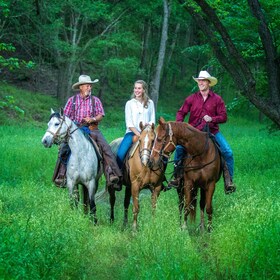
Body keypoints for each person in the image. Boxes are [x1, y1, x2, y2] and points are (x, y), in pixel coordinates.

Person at [168, 70, 236, 194]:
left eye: (203, 80)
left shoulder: (217, 99)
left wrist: (212, 119)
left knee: (227, 151)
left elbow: (224, 117)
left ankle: (228, 180)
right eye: (199, 80)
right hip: (193, 134)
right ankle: (177, 177)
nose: (201, 83)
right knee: (179, 149)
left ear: (209, 83)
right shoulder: (192, 98)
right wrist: (180, 125)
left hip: (212, 132)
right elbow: (181, 112)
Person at [53, 74, 122, 191]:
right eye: (87, 86)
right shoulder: (72, 101)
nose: (89, 88)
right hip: (75, 130)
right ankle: (61, 175)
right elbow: (65, 117)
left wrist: (93, 119)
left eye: (90, 86)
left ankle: (111, 174)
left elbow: (101, 115)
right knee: (64, 148)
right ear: (81, 87)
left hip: (92, 129)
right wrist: (73, 124)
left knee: (106, 148)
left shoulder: (95, 100)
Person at [116, 80, 156, 169]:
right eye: (135, 88)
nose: (137, 90)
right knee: (120, 154)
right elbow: (129, 123)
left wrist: (148, 125)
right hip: (132, 133)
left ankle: (160, 176)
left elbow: (153, 120)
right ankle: (117, 174)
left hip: (148, 133)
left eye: (139, 88)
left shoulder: (150, 103)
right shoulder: (129, 103)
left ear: (144, 90)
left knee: (161, 152)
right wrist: (139, 134)